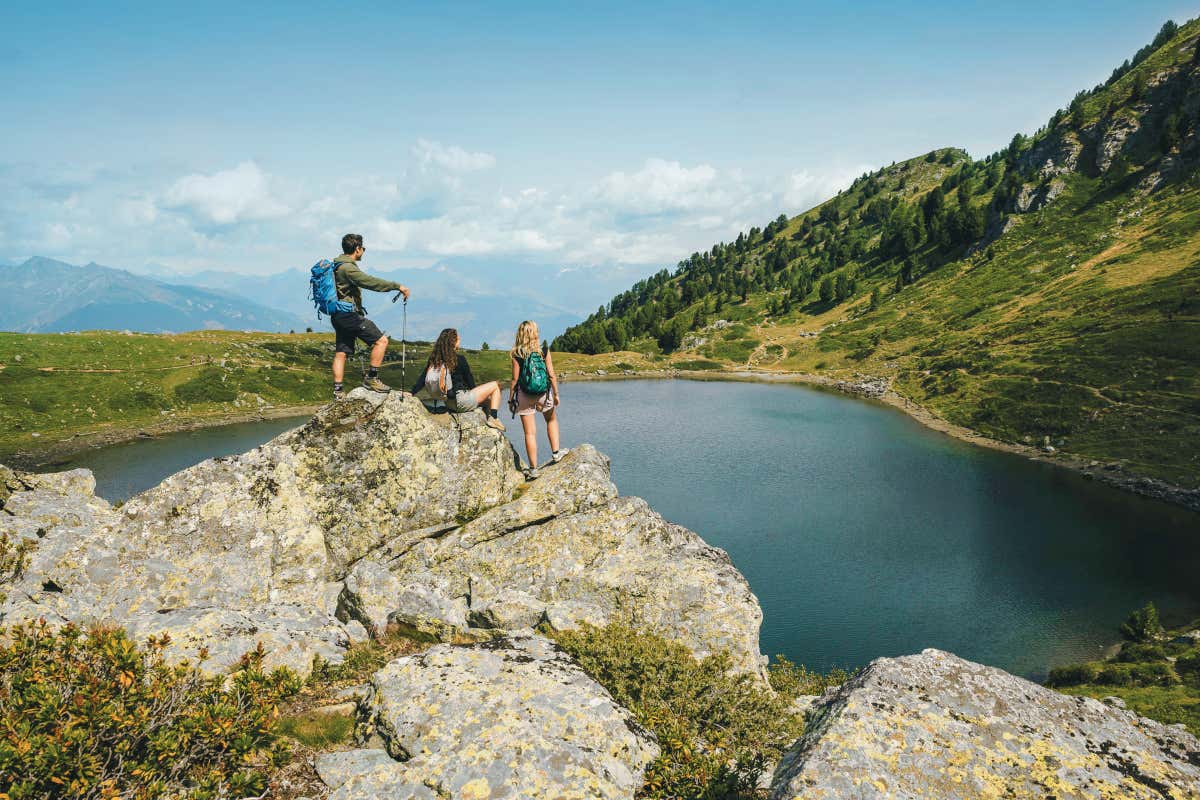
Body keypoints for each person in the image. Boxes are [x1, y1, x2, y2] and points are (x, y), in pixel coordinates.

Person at [330, 233, 410, 399]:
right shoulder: (348, 268)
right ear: (357, 249)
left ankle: (338, 391)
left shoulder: (336, 265)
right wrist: (397, 286)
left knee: (341, 352)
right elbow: (370, 282)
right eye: (363, 248)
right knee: (381, 341)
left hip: (337, 314)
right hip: (349, 315)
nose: (364, 252)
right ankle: (372, 378)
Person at [411, 328, 506, 431]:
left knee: (489, 402)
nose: (459, 341)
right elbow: (471, 385)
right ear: (453, 341)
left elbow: (422, 379)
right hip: (461, 401)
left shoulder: (435, 360)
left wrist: (412, 392)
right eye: (458, 339)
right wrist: (474, 392)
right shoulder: (459, 359)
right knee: (495, 385)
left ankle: (490, 418)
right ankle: (494, 418)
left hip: (448, 403)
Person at [509, 320, 567, 479]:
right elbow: (551, 374)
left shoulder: (516, 353)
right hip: (543, 394)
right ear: (535, 333)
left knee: (530, 433)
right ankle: (556, 453)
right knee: (551, 420)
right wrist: (556, 394)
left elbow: (514, 380)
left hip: (524, 395)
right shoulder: (543, 350)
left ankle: (533, 469)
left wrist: (510, 400)